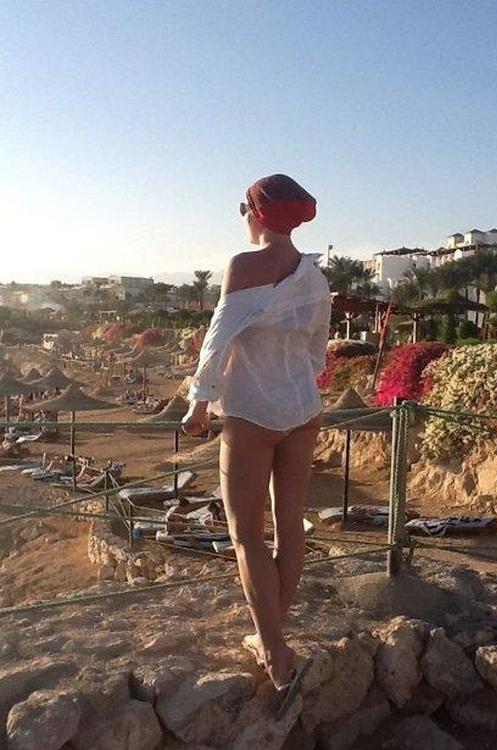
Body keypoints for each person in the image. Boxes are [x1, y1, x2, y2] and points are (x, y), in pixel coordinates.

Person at [181, 174, 331, 710]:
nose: (242, 217)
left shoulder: (244, 266)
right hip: (303, 408)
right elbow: (317, 348)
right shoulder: (315, 276)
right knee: (289, 529)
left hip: (251, 411)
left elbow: (218, 338)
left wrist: (199, 402)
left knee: (246, 536)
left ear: (257, 213)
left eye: (243, 208)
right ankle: (271, 633)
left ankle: (273, 652)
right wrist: (296, 376)